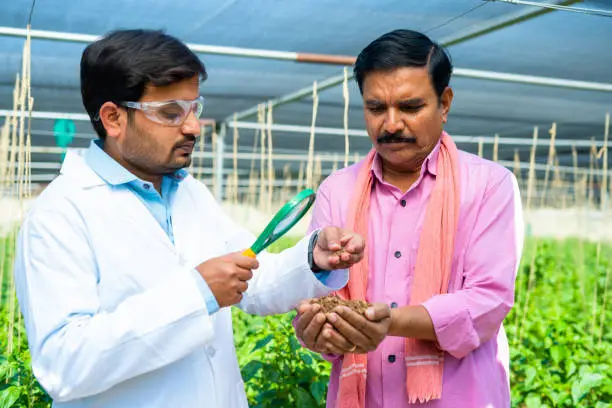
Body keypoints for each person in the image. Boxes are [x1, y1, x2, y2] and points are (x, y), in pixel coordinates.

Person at [13, 29, 366, 408]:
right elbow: (64, 364)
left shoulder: (189, 192)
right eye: (170, 113)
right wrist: (197, 294)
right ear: (113, 118)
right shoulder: (60, 214)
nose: (194, 127)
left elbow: (252, 274)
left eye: (194, 108)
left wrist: (312, 259)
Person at [294, 29, 524, 407]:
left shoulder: (489, 186)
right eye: (376, 108)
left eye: (410, 107)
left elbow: (487, 301)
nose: (391, 124)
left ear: (444, 103)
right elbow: (320, 294)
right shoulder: (336, 190)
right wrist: (316, 329)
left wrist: (390, 322)